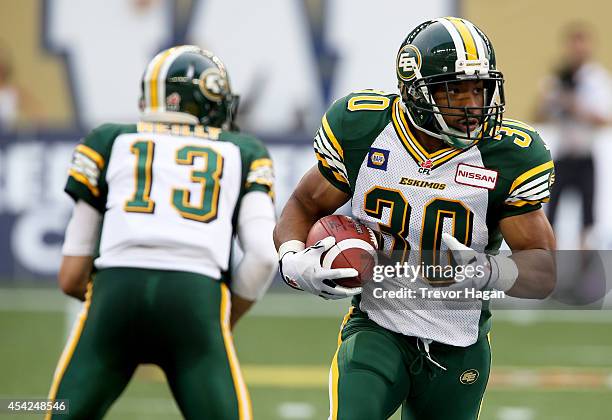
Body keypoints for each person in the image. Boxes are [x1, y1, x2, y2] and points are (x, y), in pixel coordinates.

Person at [274, 17, 556, 420]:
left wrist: (489, 271)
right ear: (415, 90)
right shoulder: (364, 128)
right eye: (455, 91)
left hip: (458, 343)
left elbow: (543, 271)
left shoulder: (508, 156)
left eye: (479, 88)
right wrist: (292, 260)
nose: (473, 105)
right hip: (377, 327)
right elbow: (303, 205)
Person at [46, 46, 277, 420]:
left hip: (115, 292)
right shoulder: (242, 150)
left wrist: (111, 309)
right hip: (196, 298)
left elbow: (70, 275)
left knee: (61, 412)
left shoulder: (108, 139)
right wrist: (223, 319)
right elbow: (265, 255)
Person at [536, 23, 612, 249]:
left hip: (584, 155)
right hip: (562, 155)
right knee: (551, 216)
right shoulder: (558, 78)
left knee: (587, 219)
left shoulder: (596, 79)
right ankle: (552, 269)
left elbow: (604, 118)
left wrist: (574, 105)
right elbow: (539, 114)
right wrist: (551, 100)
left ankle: (583, 270)